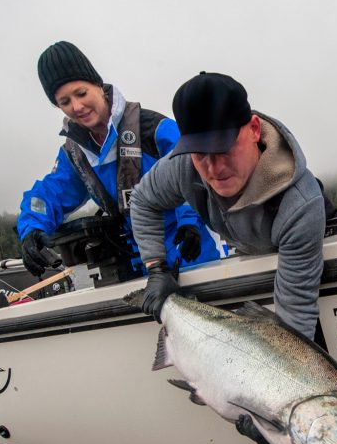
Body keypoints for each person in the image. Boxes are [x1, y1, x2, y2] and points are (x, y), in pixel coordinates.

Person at [130, 72, 326, 339]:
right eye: (201, 154)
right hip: (246, 251)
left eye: (223, 150)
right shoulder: (183, 166)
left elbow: (295, 315)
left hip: (305, 245)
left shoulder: (301, 204)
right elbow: (143, 199)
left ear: (254, 129)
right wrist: (156, 267)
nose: (214, 169)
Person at [17, 41, 219, 278]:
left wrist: (189, 222)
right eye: (65, 102)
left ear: (98, 85)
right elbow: (50, 193)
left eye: (81, 93)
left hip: (192, 256)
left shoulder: (153, 130)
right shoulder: (75, 155)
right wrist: (31, 229)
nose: (77, 106)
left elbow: (195, 169)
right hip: (137, 270)